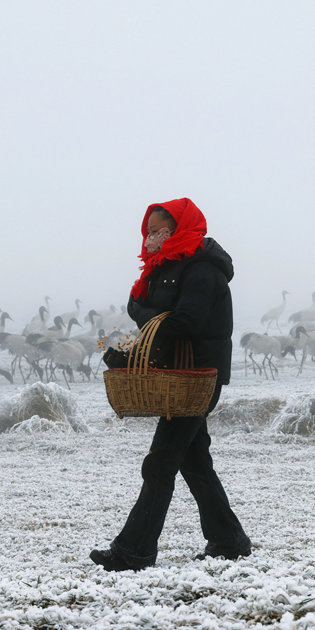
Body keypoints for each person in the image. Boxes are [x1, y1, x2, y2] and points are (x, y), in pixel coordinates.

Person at [90, 197, 251, 572]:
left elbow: (185, 322)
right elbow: (143, 309)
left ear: (179, 229)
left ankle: (133, 551)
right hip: (175, 373)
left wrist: (147, 314)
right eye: (147, 231)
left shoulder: (203, 270)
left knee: (160, 463)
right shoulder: (165, 267)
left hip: (197, 376)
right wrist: (146, 312)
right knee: (194, 463)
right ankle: (230, 541)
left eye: (158, 230)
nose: (150, 238)